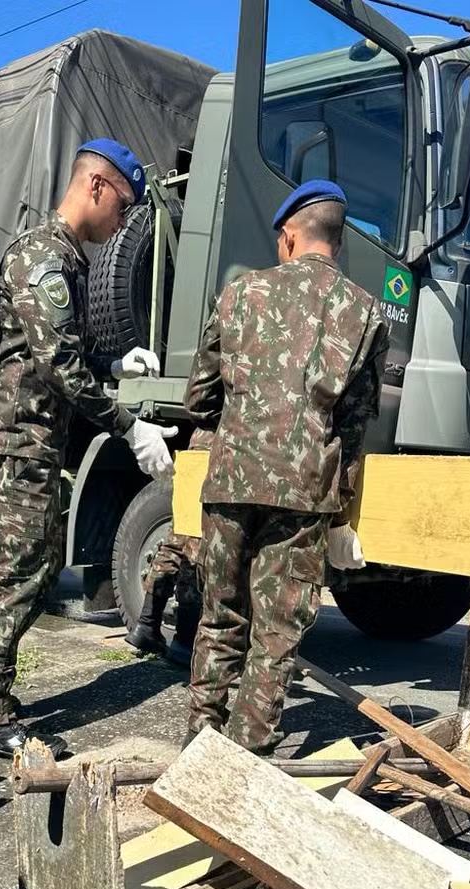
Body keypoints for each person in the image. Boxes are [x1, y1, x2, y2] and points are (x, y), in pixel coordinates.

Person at [0, 138, 176, 759]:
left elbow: (59, 350)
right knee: (18, 574)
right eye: (123, 207)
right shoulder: (43, 257)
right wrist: (128, 425)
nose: (123, 223)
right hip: (17, 438)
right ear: (95, 187)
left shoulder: (64, 258)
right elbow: (58, 363)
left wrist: (113, 361)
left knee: (32, 568)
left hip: (28, 436)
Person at [184, 180, 390, 755]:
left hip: (229, 482)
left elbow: (198, 401)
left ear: (290, 237)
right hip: (305, 494)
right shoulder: (365, 313)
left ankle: (198, 748)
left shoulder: (238, 294)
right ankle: (248, 762)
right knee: (275, 635)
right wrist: (343, 513)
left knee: (220, 617)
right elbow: (354, 426)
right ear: (337, 242)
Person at [125, 427, 210, 667]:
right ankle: (184, 641)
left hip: (199, 446)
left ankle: (146, 626)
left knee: (178, 539)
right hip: (221, 449)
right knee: (195, 545)